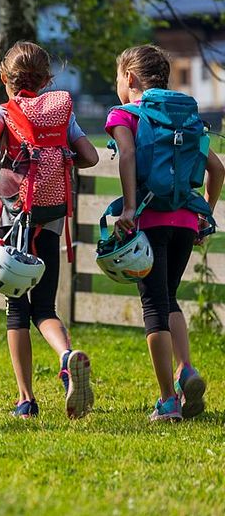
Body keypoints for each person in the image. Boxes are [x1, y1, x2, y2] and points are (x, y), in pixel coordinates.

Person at [0, 41, 99, 419]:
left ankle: (25, 399)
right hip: (50, 218)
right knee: (45, 307)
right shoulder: (62, 115)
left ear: (4, 77)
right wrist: (61, 157)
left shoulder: (2, 110)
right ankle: (65, 358)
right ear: (47, 79)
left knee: (17, 309)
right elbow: (91, 157)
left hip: (15, 224)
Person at [106, 44, 224, 421]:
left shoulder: (125, 114)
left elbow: (126, 155)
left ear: (130, 78)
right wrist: (206, 212)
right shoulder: (185, 117)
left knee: (153, 306)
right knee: (168, 297)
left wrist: (127, 208)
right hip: (186, 220)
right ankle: (185, 367)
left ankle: (168, 400)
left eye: (118, 79)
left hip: (150, 219)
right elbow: (217, 170)